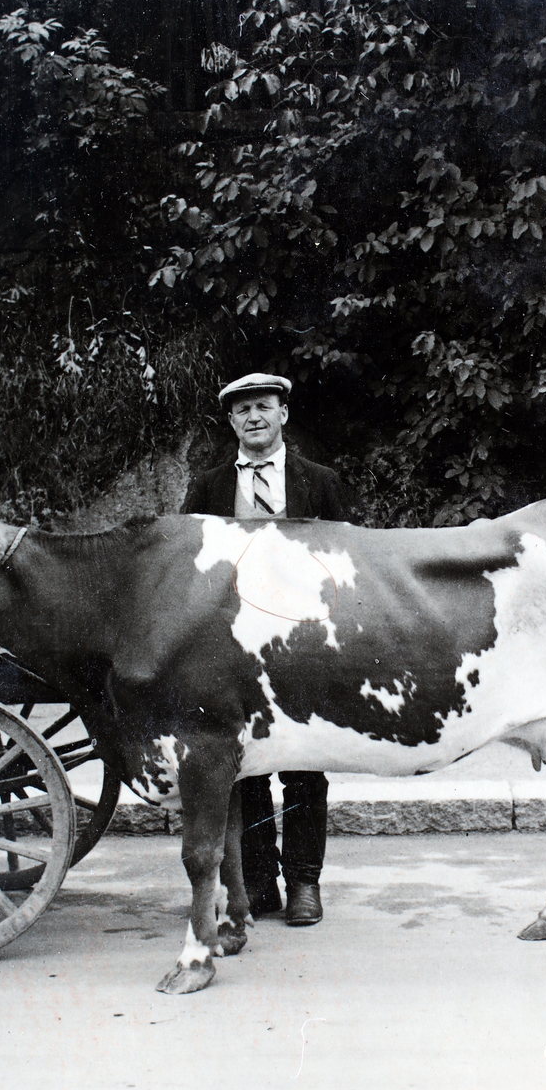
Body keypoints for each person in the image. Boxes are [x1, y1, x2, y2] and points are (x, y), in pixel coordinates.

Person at [181, 371, 350, 927]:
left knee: (305, 762)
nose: (253, 417)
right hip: (232, 644)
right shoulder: (207, 487)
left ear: (283, 415)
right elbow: (190, 564)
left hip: (304, 642)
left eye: (263, 407)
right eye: (242, 411)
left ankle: (304, 884)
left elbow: (353, 563)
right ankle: (257, 883)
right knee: (245, 766)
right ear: (231, 422)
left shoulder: (319, 482)